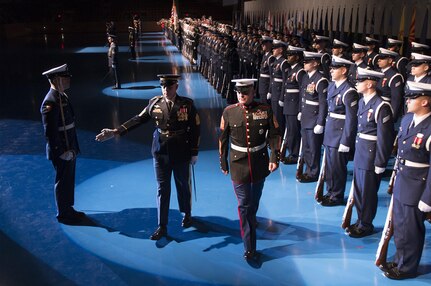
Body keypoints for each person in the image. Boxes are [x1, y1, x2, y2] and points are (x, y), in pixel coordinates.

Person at [95, 74, 200, 240]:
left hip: (181, 151)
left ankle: (186, 213)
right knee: (162, 189)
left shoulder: (187, 104)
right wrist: (116, 131)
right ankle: (162, 226)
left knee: (183, 185)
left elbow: (195, 129)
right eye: (163, 87)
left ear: (176, 87)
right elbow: (138, 119)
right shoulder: (154, 103)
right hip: (160, 151)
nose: (166, 90)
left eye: (169, 87)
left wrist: (194, 152)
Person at [219, 78, 280, 262]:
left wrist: (274, 156)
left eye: (245, 92)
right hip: (238, 163)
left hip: (259, 161)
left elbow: (275, 134)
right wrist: (223, 161)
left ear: (253, 92)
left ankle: (252, 219)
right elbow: (223, 138)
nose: (242, 95)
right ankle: (250, 247)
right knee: (244, 205)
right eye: (239, 92)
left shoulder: (265, 110)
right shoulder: (229, 112)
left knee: (254, 201)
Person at [381, 81, 431, 280]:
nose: (408, 101)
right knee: (400, 226)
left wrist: (428, 198)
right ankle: (401, 259)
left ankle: (407, 267)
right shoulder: (406, 119)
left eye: (413, 98)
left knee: (411, 229)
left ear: (425, 102)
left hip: (418, 185)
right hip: (403, 179)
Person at [346, 67, 395, 238]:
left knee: (367, 192)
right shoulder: (362, 102)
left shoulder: (381, 106)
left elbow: (384, 138)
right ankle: (360, 220)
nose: (357, 83)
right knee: (359, 189)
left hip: (371, 154)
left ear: (369, 84)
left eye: (360, 81)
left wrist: (381, 162)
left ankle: (366, 224)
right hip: (361, 152)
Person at [40, 64, 85, 224]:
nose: (68, 81)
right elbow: (50, 132)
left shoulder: (61, 96)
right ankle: (63, 212)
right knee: (63, 180)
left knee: (68, 179)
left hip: (69, 145)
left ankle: (68, 208)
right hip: (62, 148)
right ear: (57, 79)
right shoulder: (50, 102)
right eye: (65, 78)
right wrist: (60, 151)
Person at [320, 56, 359, 206]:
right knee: (330, 166)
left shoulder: (349, 92)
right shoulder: (332, 86)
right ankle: (330, 191)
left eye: (335, 68)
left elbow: (351, 119)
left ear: (343, 70)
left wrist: (346, 140)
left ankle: (336, 195)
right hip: (331, 132)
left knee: (337, 168)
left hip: (340, 135)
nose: (331, 70)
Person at [297, 51, 329, 183]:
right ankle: (308, 170)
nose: (305, 64)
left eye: (307, 62)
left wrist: (320, 122)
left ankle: (313, 172)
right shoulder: (306, 77)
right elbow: (302, 96)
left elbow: (323, 103)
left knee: (314, 147)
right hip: (306, 116)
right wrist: (300, 110)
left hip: (314, 118)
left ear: (315, 63)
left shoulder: (320, 80)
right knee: (307, 147)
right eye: (304, 62)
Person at [279, 45, 306, 164]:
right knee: (290, 130)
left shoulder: (300, 71)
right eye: (288, 55)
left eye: (291, 55)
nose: (288, 57)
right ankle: (291, 152)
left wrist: (300, 109)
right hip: (289, 105)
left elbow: (302, 92)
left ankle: (295, 154)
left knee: (294, 131)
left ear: (297, 57)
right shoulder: (291, 70)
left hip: (294, 106)